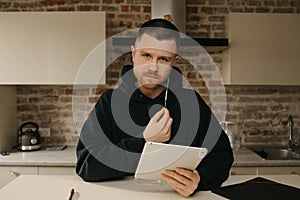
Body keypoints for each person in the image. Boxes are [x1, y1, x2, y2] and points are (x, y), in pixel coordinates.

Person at [76, 18, 234, 197]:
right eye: (146, 55)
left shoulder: (192, 102)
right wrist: (143, 141)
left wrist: (199, 178)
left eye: (163, 59)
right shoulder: (109, 102)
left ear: (174, 61)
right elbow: (86, 165)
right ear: (133, 55)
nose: (154, 67)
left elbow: (222, 154)